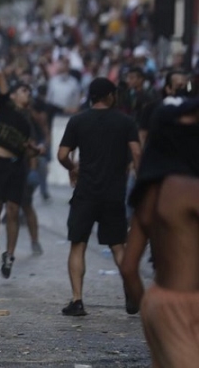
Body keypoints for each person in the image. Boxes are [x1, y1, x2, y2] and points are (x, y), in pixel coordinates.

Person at [120, 95, 199, 367]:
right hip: (188, 307)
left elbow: (129, 267)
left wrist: (147, 309)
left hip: (157, 302)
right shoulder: (187, 190)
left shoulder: (149, 193)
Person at [57, 78, 140, 316]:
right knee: (118, 246)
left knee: (78, 244)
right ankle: (131, 293)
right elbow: (136, 151)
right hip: (114, 193)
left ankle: (77, 300)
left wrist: (73, 168)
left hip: (86, 193)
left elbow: (62, 154)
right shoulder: (126, 122)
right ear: (111, 96)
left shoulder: (78, 121)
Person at [0, 65, 42, 279]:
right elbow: (0, 76)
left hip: (17, 167)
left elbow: (26, 150)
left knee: (14, 211)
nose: (28, 94)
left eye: (29, 92)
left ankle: (9, 255)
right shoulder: (6, 105)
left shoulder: (27, 123)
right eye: (24, 91)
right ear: (14, 95)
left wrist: (35, 151)